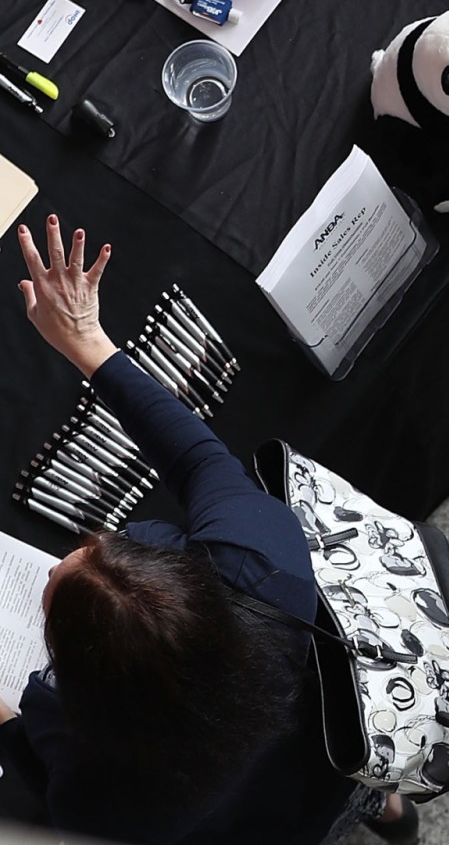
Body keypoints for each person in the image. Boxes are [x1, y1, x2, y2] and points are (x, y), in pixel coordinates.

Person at [0, 215, 416, 843]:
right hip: (334, 743)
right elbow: (198, 457)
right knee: (351, 782)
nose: (63, 557)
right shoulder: (261, 569)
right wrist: (88, 342)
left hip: (252, 829)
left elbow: (37, 769)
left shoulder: (107, 794)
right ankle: (387, 811)